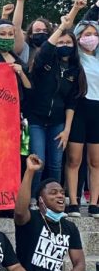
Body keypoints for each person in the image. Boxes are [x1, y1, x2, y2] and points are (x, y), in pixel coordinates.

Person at [28, 12, 82, 198]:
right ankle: (34, 198)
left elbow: (71, 102)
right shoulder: (44, 62)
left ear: (74, 46)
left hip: (58, 122)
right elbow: (45, 50)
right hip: (36, 119)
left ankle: (55, 198)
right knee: (38, 160)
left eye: (68, 43)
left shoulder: (75, 70)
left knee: (56, 163)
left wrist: (67, 129)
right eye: (60, 42)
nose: (63, 46)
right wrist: (61, 27)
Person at [63, 1, 98, 217]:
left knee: (95, 160)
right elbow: (69, 25)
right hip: (78, 108)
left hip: (97, 109)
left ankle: (94, 203)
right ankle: (73, 201)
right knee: (74, 159)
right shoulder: (75, 57)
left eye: (94, 33)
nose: (91, 37)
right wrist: (88, 8)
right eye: (86, 33)